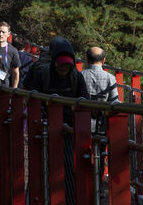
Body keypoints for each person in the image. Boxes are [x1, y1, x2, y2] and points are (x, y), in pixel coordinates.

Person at [27, 36, 88, 205]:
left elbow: (84, 100)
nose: (64, 68)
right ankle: (38, 197)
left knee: (68, 164)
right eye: (61, 65)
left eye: (67, 65)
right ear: (54, 62)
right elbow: (32, 97)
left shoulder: (77, 77)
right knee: (41, 164)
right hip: (44, 127)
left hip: (68, 128)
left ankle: (68, 199)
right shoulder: (43, 74)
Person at [81, 46, 119, 199]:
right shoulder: (110, 78)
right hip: (101, 124)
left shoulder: (80, 75)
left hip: (82, 123)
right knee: (100, 154)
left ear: (86, 59)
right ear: (104, 60)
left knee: (82, 155)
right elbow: (115, 102)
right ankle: (99, 189)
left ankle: (83, 186)